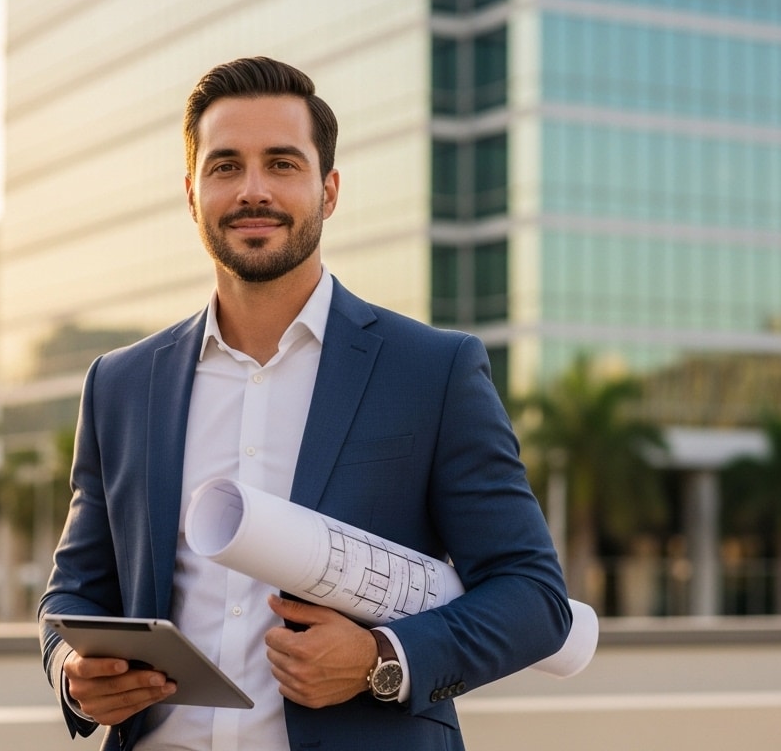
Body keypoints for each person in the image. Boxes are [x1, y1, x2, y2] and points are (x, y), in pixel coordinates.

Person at [39, 55, 571, 751]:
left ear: (330, 189)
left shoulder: (433, 371)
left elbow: (533, 596)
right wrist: (73, 671)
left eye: (282, 164)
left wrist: (382, 661)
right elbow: (72, 594)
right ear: (192, 194)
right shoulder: (120, 384)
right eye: (225, 166)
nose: (252, 190)